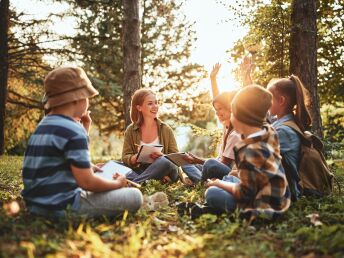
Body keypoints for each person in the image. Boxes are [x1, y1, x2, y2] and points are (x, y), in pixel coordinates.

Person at [21, 67, 143, 218]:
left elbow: (64, 159)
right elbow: (87, 182)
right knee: (135, 196)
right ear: (76, 99)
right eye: (87, 97)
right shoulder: (73, 130)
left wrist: (88, 165)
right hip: (63, 207)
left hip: (35, 206)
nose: (88, 102)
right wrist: (117, 184)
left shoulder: (44, 125)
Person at [198, 85, 290, 219]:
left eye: (233, 113)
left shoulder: (249, 150)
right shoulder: (268, 131)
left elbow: (244, 193)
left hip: (266, 208)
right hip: (280, 197)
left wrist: (218, 183)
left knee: (212, 193)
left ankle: (219, 208)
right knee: (230, 177)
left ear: (242, 117)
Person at [181, 63, 241, 183]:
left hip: (228, 172)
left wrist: (198, 160)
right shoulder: (226, 125)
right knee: (185, 164)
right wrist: (213, 79)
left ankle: (202, 183)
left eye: (220, 109)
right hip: (216, 167)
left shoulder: (235, 134)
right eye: (216, 110)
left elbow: (223, 164)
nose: (218, 113)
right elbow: (217, 98)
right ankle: (205, 181)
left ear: (230, 108)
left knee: (210, 163)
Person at [267, 75, 312, 201]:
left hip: (284, 193)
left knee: (215, 193)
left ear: (281, 101)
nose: (265, 102)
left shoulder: (283, 131)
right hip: (272, 184)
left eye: (268, 98)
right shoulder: (279, 121)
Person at [122, 88, 180, 184]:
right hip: (143, 170)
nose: (155, 106)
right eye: (150, 104)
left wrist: (162, 156)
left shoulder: (165, 129)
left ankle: (136, 183)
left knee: (165, 161)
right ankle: (148, 181)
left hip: (165, 169)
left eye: (156, 103)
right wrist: (136, 157)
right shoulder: (130, 130)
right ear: (139, 107)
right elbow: (125, 157)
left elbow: (176, 158)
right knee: (114, 165)